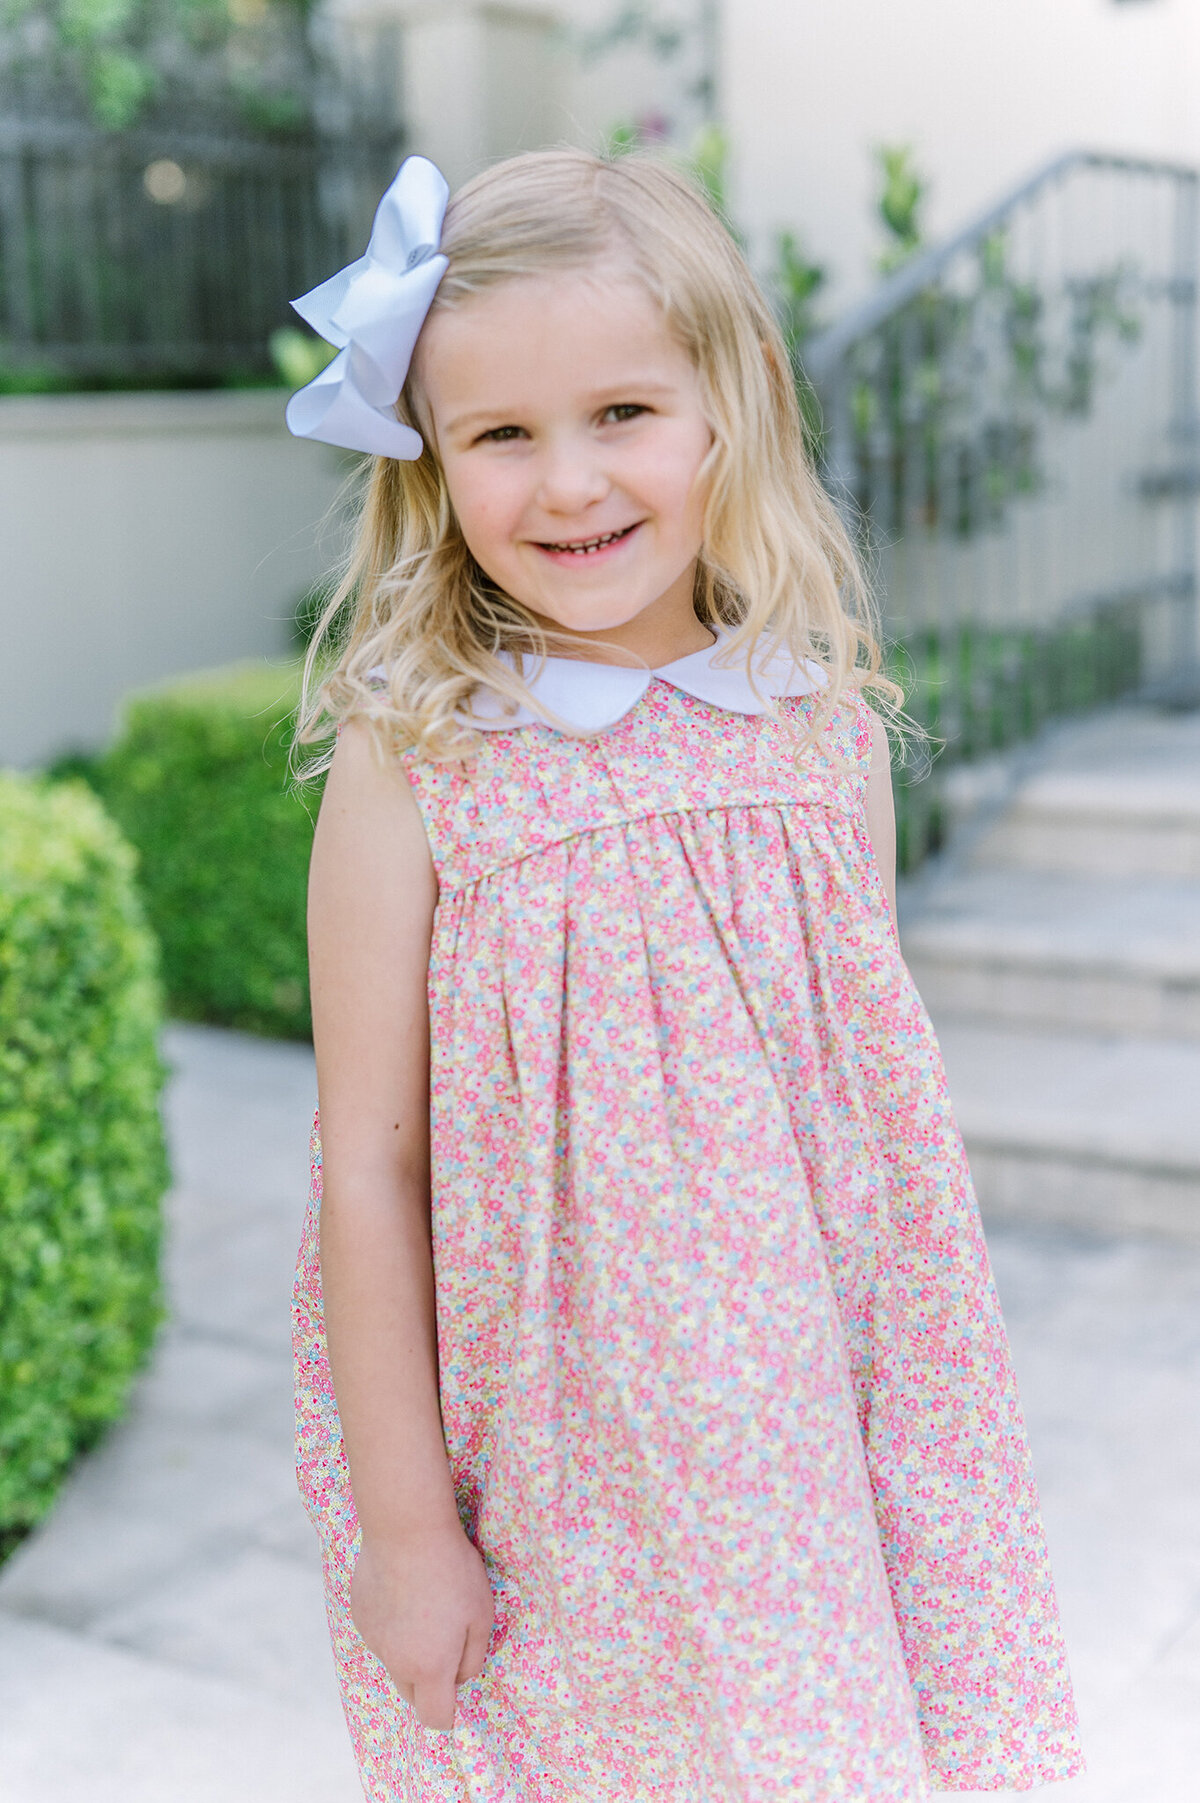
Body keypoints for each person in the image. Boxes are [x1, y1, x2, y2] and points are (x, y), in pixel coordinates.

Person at [288, 149, 1084, 1801]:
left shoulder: (820, 730)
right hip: (567, 1460)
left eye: (622, 414)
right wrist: (410, 1524)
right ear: (432, 458)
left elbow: (853, 1114)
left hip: (816, 1438)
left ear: (736, 403)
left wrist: (916, 1454)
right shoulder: (422, 754)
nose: (566, 483)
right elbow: (369, 1162)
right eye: (502, 433)